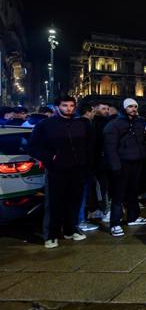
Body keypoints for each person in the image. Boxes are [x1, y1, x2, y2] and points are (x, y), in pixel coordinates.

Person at [28, 95, 94, 249]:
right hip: (56, 170)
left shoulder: (82, 124)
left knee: (75, 201)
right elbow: (33, 147)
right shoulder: (45, 125)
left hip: (78, 169)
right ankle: (51, 235)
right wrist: (51, 157)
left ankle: (71, 230)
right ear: (58, 107)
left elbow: (90, 147)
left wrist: (87, 165)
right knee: (54, 203)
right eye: (65, 105)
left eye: (71, 105)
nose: (69, 108)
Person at [103, 98, 146, 237]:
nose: (133, 109)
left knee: (133, 192)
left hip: (136, 162)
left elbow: (142, 140)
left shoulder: (138, 123)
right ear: (124, 108)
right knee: (118, 195)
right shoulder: (114, 125)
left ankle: (133, 217)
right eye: (130, 106)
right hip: (121, 164)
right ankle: (115, 223)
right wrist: (115, 166)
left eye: (135, 106)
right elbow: (110, 148)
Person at [76, 104, 99, 232]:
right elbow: (91, 148)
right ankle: (80, 221)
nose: (94, 114)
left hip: (76, 165)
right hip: (86, 166)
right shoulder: (88, 126)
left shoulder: (73, 124)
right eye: (93, 111)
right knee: (82, 195)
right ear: (88, 112)